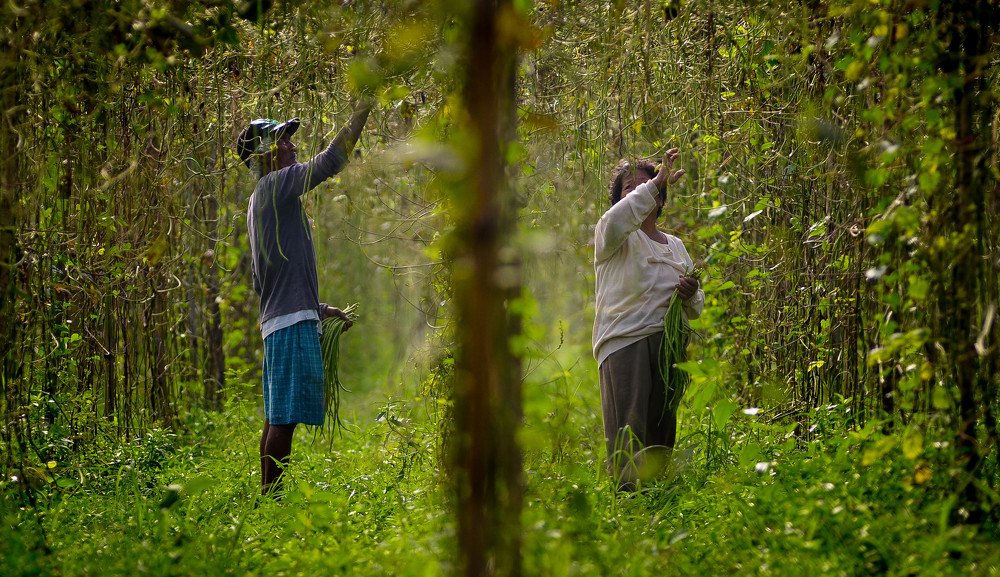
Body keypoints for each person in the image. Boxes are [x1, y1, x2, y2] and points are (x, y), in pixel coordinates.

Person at [237, 100, 372, 495]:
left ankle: (267, 501)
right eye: (283, 142)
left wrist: (318, 309)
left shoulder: (263, 198)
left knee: (276, 417)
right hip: (288, 323)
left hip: (284, 320)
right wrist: (363, 108)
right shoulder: (275, 187)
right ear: (265, 155)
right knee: (283, 421)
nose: (292, 147)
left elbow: (269, 279)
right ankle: (271, 502)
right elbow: (331, 161)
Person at [592, 148, 705, 490]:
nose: (641, 191)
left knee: (661, 429)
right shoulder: (611, 235)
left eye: (649, 185)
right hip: (625, 342)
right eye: (630, 187)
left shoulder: (675, 245)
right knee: (630, 429)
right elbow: (620, 217)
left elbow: (695, 308)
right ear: (620, 199)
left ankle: (656, 499)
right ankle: (628, 506)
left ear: (661, 200)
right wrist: (655, 181)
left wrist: (690, 293)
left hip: (668, 346)